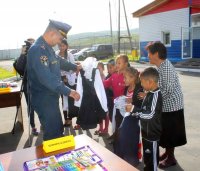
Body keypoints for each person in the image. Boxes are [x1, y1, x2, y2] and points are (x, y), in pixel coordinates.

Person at [27, 19, 81, 141]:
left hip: (51, 98)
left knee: (57, 130)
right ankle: (49, 159)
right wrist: (69, 91)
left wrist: (74, 67)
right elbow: (47, 78)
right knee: (53, 135)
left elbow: (58, 61)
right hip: (44, 100)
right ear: (52, 33)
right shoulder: (38, 50)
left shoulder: (47, 48)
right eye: (59, 39)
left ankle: (55, 158)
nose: (59, 43)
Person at [145, 42, 187, 168]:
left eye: (149, 53)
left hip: (173, 106)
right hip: (167, 106)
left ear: (156, 54)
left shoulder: (166, 67)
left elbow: (167, 90)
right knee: (166, 132)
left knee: (171, 133)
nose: (148, 56)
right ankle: (168, 153)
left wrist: (151, 97)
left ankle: (171, 158)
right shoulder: (161, 66)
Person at [127, 67, 162, 171]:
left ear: (150, 82)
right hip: (146, 133)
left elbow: (150, 114)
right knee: (147, 155)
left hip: (152, 134)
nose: (141, 84)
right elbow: (144, 109)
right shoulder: (149, 93)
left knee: (153, 158)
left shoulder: (156, 95)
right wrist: (136, 112)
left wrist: (134, 109)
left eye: (142, 82)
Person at [115, 66, 143, 167]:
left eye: (125, 78)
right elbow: (127, 100)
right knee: (121, 135)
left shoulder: (139, 89)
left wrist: (132, 102)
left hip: (134, 119)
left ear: (132, 78)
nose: (123, 80)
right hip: (126, 116)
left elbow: (141, 105)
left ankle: (131, 160)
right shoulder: (127, 88)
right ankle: (122, 158)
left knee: (129, 139)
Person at [103, 54, 128, 143]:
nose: (117, 65)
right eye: (116, 63)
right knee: (116, 122)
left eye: (119, 63)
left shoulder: (129, 75)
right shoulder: (113, 76)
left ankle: (120, 140)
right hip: (116, 105)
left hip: (127, 106)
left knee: (123, 124)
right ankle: (116, 137)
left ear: (126, 64)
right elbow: (105, 83)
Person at [18, 38, 39, 136]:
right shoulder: (24, 55)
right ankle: (33, 127)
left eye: (32, 44)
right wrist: (23, 54)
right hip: (27, 84)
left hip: (39, 84)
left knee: (40, 105)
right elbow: (19, 67)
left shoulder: (37, 53)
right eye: (28, 45)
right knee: (30, 107)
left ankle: (44, 123)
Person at [56, 39, 78, 127]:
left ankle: (70, 119)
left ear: (66, 46)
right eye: (60, 45)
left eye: (63, 46)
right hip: (60, 80)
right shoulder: (55, 54)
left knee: (70, 99)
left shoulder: (70, 55)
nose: (61, 47)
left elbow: (73, 68)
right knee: (63, 100)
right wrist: (61, 76)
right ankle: (66, 119)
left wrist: (66, 76)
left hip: (69, 80)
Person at [94, 62, 109, 135]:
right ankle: (100, 127)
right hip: (98, 100)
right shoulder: (96, 78)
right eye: (96, 68)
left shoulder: (105, 78)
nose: (97, 70)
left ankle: (105, 129)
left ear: (103, 69)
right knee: (99, 114)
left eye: (99, 68)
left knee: (106, 114)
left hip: (105, 100)